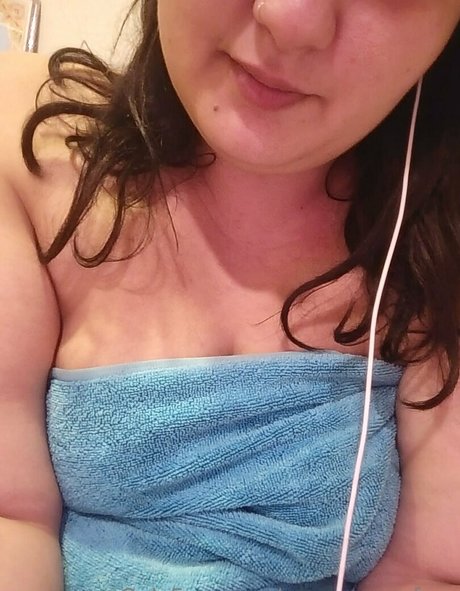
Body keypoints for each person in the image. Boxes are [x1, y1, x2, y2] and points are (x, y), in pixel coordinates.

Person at [1, 1, 460, 589]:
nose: (290, 20)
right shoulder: (28, 151)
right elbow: (10, 517)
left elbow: (432, 569)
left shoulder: (435, 249)